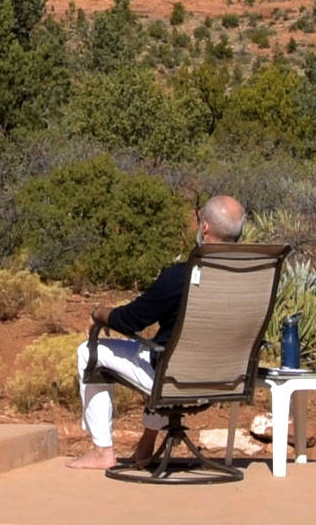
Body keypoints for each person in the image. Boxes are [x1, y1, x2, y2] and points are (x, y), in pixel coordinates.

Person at [66, 194, 246, 470]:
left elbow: (130, 320)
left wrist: (97, 314)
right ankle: (147, 442)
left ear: (205, 228)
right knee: (162, 348)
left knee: (89, 351)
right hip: (224, 381)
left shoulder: (180, 277)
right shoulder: (247, 278)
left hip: (174, 381)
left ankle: (103, 451)